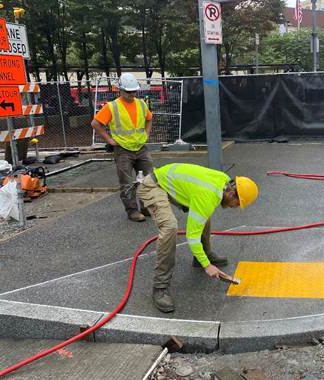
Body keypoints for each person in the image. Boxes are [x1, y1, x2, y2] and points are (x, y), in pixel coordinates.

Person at [136, 163, 259, 312]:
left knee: (203, 215)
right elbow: (192, 236)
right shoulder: (208, 196)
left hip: (169, 180)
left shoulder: (224, 181)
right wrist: (208, 266)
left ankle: (202, 256)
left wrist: (203, 259)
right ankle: (160, 287)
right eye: (238, 203)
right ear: (232, 194)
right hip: (153, 186)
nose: (236, 207)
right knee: (169, 227)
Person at [91, 73, 154, 222]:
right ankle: (132, 211)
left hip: (141, 147)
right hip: (123, 150)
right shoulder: (112, 107)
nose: (132, 94)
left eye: (134, 91)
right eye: (128, 92)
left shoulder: (141, 104)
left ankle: (146, 207)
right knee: (126, 182)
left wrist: (146, 134)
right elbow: (95, 124)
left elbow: (149, 119)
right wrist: (110, 141)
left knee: (148, 179)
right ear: (120, 90)